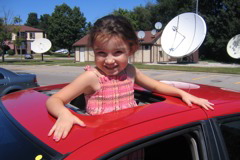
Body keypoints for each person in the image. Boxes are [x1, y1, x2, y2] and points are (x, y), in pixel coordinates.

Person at [47, 14, 214, 142]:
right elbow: (54, 100)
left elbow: (155, 86)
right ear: (94, 51)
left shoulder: (130, 71)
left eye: (118, 52)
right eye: (101, 53)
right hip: (101, 145)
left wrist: (183, 94)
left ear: (131, 50)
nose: (109, 60)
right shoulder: (92, 77)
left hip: (128, 140)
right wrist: (64, 114)